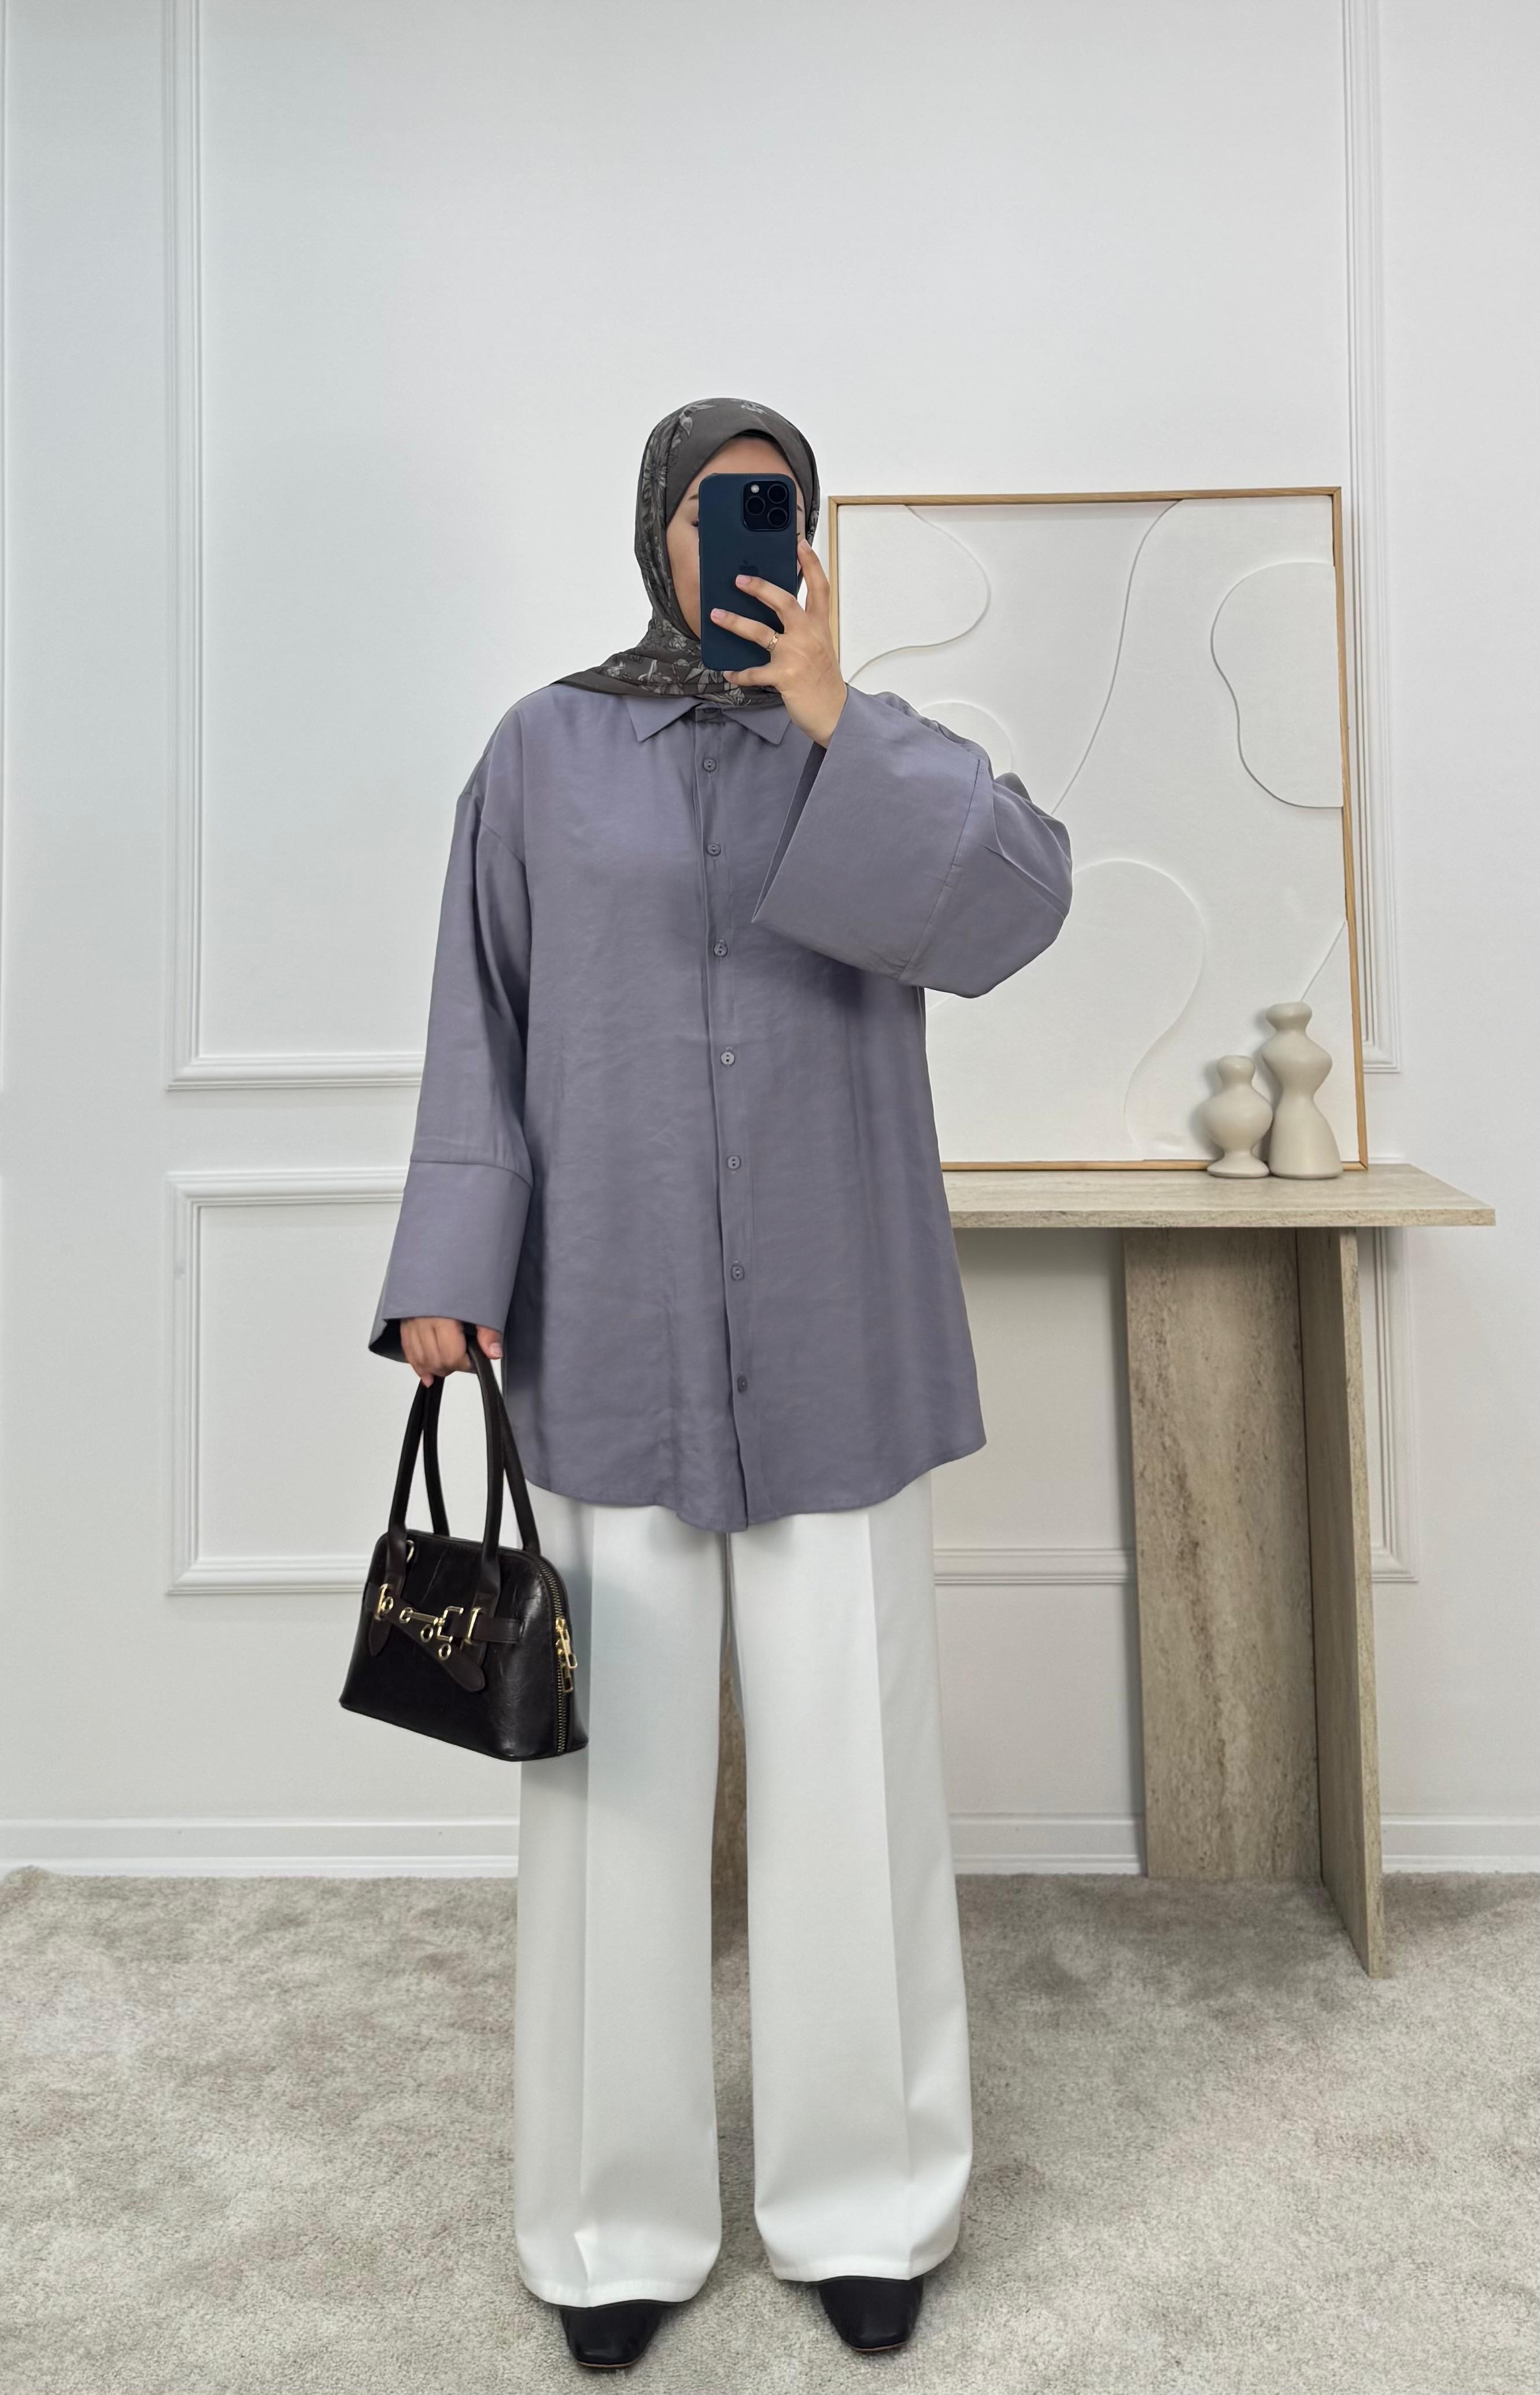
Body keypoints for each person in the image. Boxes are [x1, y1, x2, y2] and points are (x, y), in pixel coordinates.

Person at [367, 396, 1074, 2370]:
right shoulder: (541, 750)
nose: (744, 534)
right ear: (657, 531)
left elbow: (1020, 907)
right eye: (714, 505)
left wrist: (839, 713)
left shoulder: (872, 742)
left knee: (855, 1778)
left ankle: (873, 2204)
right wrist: (449, 1275)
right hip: (608, 1324)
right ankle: (612, 2228)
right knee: (611, 1795)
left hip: (840, 1327)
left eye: (779, 505)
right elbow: (481, 1012)